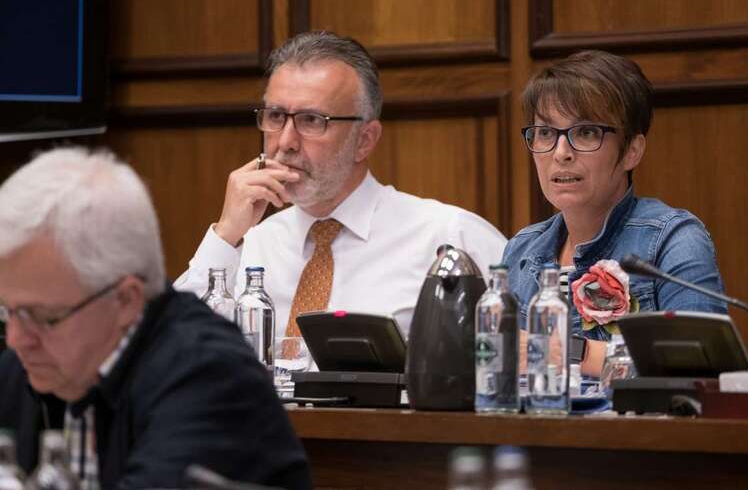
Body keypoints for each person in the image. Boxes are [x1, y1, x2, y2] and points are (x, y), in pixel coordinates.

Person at [0, 147, 310, 489]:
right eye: (8, 312)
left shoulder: (209, 378)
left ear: (125, 301)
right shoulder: (25, 369)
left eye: (42, 317)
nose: (16, 339)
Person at [175, 31, 506, 339]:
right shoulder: (246, 245)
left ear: (364, 140)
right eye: (276, 116)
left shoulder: (449, 237)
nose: (286, 142)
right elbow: (163, 350)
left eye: (311, 120)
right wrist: (225, 235)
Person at [503, 50, 726, 376]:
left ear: (632, 152)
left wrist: (566, 351)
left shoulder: (672, 240)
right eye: (546, 133)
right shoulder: (521, 250)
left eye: (586, 132)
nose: (561, 153)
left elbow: (698, 371)